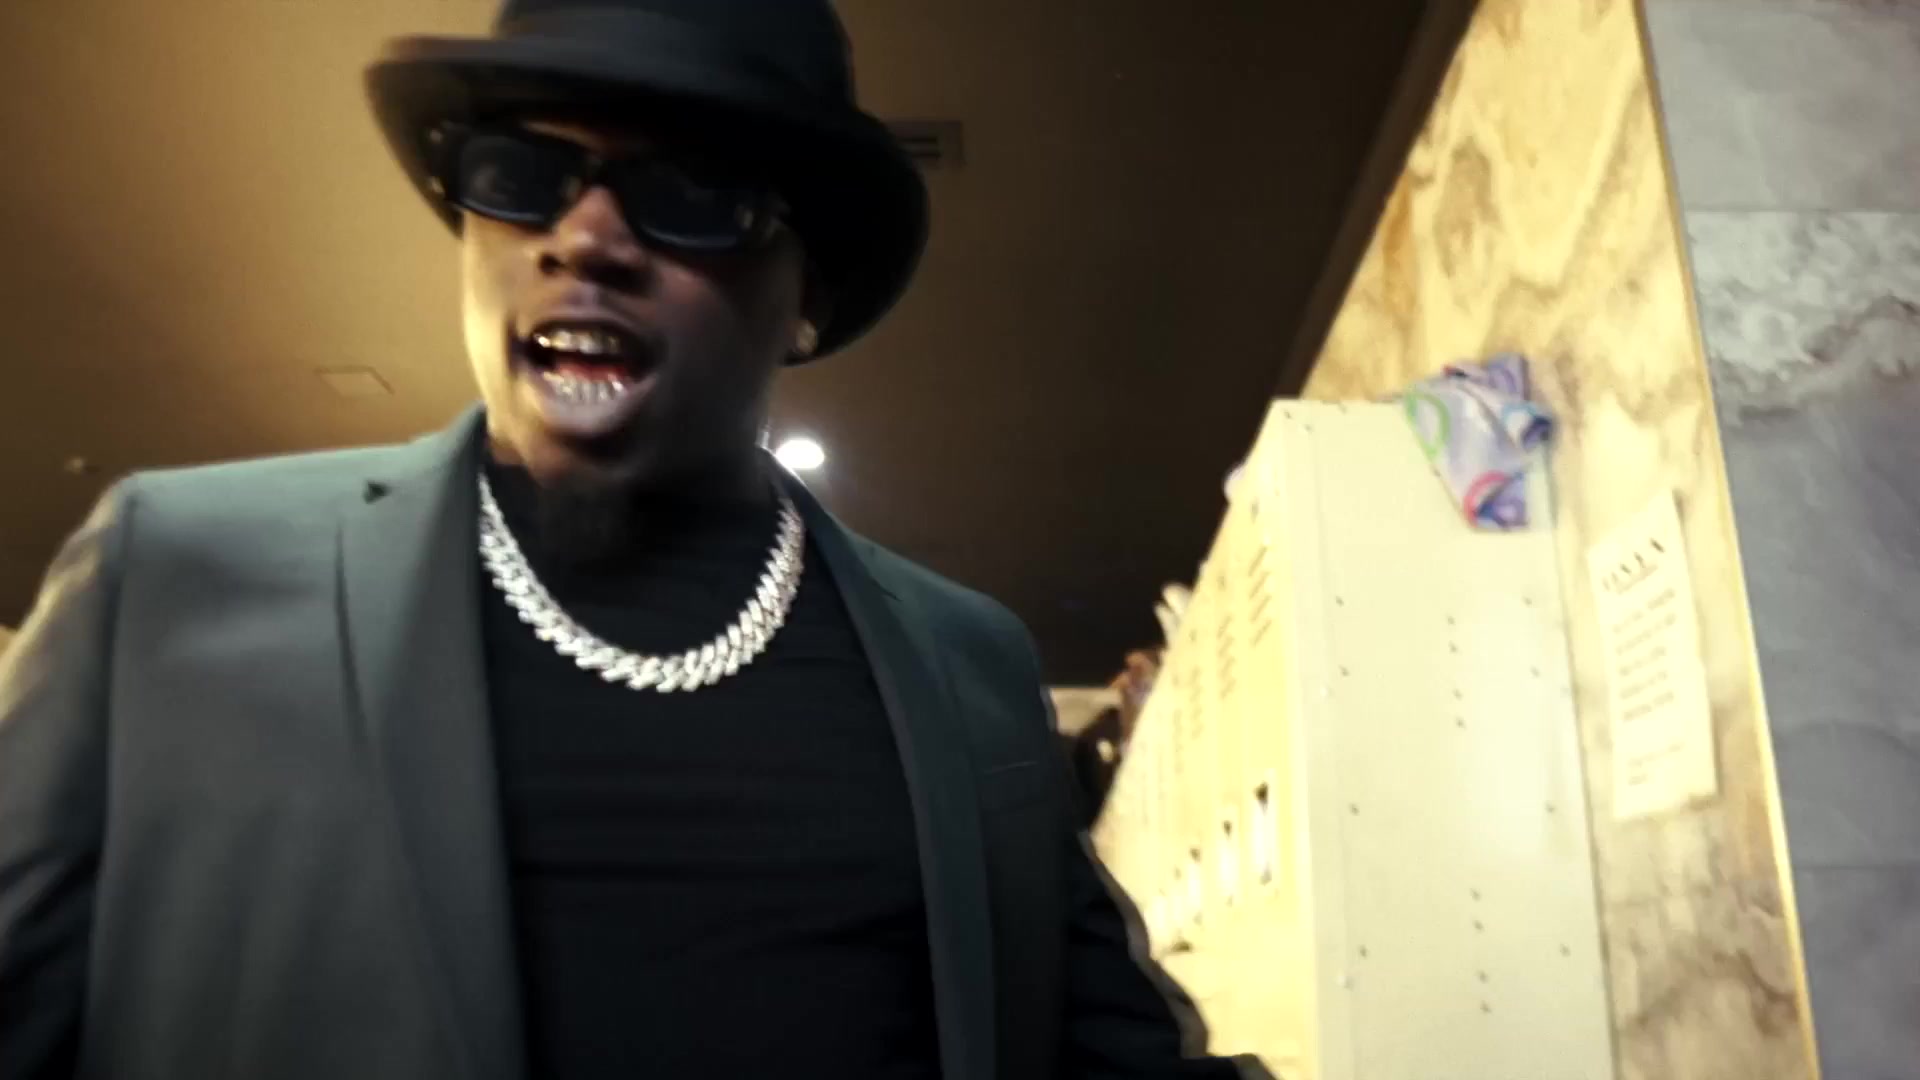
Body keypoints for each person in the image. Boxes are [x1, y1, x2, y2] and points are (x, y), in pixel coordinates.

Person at [0, 2, 1266, 1077]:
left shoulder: (965, 664)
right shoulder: (173, 579)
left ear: (808, 295)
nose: (585, 240)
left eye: (689, 194)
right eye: (521, 175)